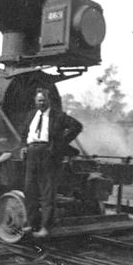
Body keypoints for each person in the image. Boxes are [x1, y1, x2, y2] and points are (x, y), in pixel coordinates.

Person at [21, 88, 82, 238]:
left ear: (49, 101)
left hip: (48, 154)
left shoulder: (58, 116)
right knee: (30, 190)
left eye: (44, 100)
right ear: (35, 102)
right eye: (39, 100)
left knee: (47, 192)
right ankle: (31, 224)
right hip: (32, 153)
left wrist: (59, 144)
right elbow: (24, 132)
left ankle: (45, 227)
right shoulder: (31, 115)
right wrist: (24, 146)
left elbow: (77, 126)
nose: (41, 103)